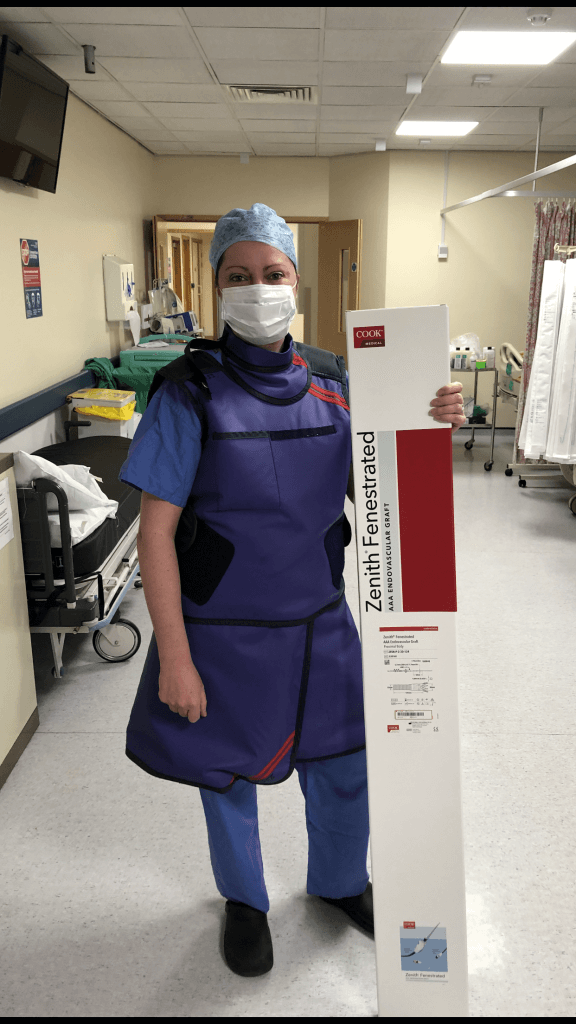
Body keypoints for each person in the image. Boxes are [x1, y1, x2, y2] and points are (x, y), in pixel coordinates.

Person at [118, 204, 465, 978]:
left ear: (296, 283)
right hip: (221, 634)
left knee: (346, 762)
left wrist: (428, 426)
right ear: (216, 289)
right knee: (226, 776)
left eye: (272, 274)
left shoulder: (338, 384)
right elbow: (155, 535)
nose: (258, 289)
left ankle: (340, 882)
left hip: (319, 622)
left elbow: (384, 493)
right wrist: (175, 658)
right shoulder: (188, 393)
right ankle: (245, 902)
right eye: (239, 277)